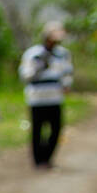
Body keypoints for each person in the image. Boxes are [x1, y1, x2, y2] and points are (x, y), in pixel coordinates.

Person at [18, 22, 73, 169]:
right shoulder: (33, 54)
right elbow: (25, 75)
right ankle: (38, 161)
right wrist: (40, 66)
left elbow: (67, 73)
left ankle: (47, 159)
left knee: (56, 130)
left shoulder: (63, 54)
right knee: (37, 130)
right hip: (37, 99)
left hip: (55, 98)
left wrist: (67, 84)